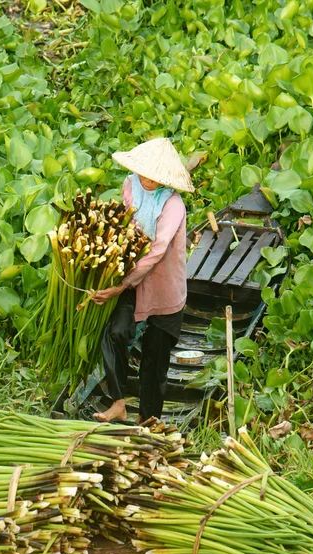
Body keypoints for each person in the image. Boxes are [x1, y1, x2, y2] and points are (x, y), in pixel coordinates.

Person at [91, 138, 194, 423]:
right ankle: (119, 402)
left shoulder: (173, 205)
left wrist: (121, 286)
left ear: (165, 179)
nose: (147, 180)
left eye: (155, 177)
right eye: (144, 173)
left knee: (154, 361)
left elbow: (157, 251)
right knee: (115, 334)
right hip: (133, 282)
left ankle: (148, 423)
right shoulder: (130, 185)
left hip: (164, 289)